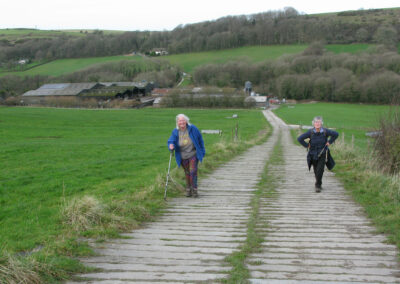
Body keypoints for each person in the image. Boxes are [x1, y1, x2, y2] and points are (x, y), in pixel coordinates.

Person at [167, 114, 205, 197]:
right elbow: (171, 140)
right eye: (180, 121)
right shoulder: (175, 131)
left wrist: (202, 151)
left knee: (193, 172)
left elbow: (200, 139)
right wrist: (171, 145)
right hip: (183, 156)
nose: (182, 122)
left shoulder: (193, 129)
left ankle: (194, 190)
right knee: (187, 172)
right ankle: (188, 190)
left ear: (186, 121)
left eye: (183, 120)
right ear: (177, 122)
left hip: (193, 154)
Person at [297, 116, 339, 192]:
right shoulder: (310, 132)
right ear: (313, 123)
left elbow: (336, 134)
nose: (317, 123)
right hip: (313, 154)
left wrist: (329, 142)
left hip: (322, 153)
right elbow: (300, 139)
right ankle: (318, 182)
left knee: (320, 169)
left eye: (319, 122)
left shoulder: (325, 131)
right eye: (316, 122)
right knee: (316, 170)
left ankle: (318, 185)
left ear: (321, 123)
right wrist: (307, 145)